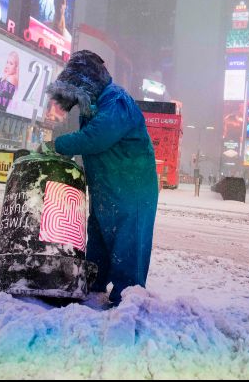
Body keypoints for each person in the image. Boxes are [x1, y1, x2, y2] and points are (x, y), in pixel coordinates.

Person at [42, 50, 158, 306]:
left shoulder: (116, 100)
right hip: (107, 188)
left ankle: (126, 298)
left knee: (128, 243)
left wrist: (58, 145)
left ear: (87, 81)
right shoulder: (94, 104)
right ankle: (93, 282)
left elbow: (96, 137)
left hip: (132, 190)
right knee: (100, 239)